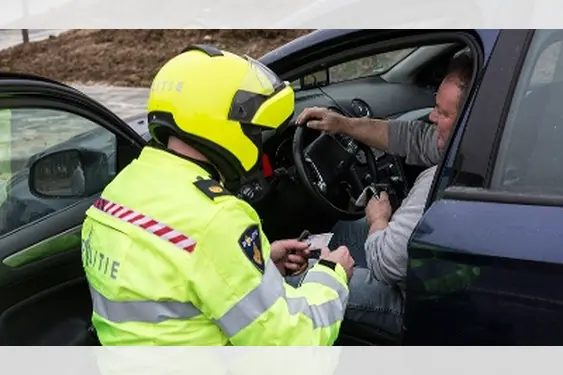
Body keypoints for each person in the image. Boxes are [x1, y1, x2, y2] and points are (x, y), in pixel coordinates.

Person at [81, 44, 355, 346]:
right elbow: (292, 343)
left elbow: (173, 282)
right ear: (228, 128)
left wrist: (259, 264)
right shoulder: (217, 219)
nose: (259, 143)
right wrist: (332, 275)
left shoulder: (118, 192)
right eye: (256, 133)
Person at [293, 49, 475, 335]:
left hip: (416, 303)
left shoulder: (442, 181)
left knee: (300, 285)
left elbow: (388, 264)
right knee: (343, 230)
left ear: (470, 119)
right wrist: (343, 125)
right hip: (435, 275)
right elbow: (413, 138)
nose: (431, 115)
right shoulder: (473, 145)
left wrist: (379, 219)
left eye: (442, 112)